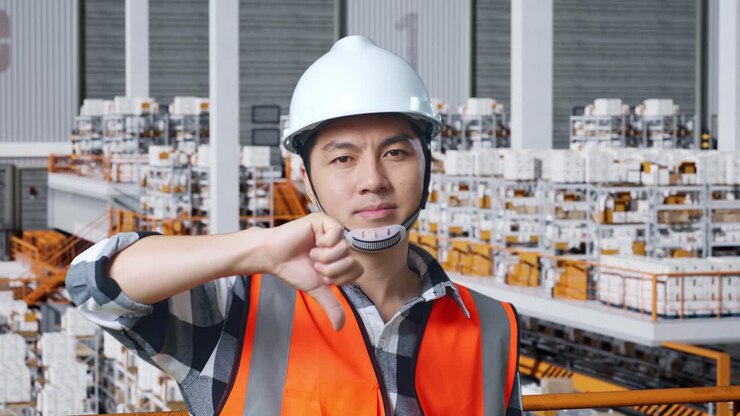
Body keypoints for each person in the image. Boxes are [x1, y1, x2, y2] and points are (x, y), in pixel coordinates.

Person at [66, 35, 522, 416]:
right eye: (343, 158)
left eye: (395, 153)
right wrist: (254, 249)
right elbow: (95, 286)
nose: (373, 181)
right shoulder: (236, 309)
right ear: (304, 178)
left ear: (428, 165)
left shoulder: (491, 324)